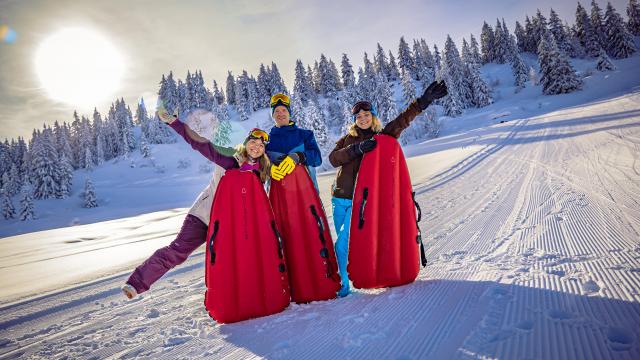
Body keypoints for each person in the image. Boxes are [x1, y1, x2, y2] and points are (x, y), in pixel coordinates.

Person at [122, 105, 271, 299]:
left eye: (261, 146)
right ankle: (136, 283)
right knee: (178, 252)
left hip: (227, 225)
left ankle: (236, 298)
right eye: (253, 142)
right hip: (203, 216)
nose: (256, 147)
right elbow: (200, 144)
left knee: (235, 259)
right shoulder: (228, 157)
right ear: (246, 143)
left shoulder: (260, 173)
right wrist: (175, 123)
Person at [328, 80, 448, 297]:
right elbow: (334, 159)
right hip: (340, 199)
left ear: (372, 117)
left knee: (344, 243)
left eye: (366, 115)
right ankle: (350, 279)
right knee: (345, 244)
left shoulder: (382, 136)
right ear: (354, 120)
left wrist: (423, 102)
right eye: (358, 117)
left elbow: (402, 121)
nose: (363, 119)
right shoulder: (347, 139)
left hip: (361, 202)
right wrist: (357, 149)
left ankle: (343, 287)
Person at [267, 93, 322, 188]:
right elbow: (256, 163)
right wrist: (268, 168)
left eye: (284, 110)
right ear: (273, 115)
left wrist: (298, 156)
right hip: (278, 198)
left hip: (307, 195)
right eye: (276, 111)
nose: (281, 114)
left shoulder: (305, 135)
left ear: (289, 113)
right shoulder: (266, 142)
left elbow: (317, 159)